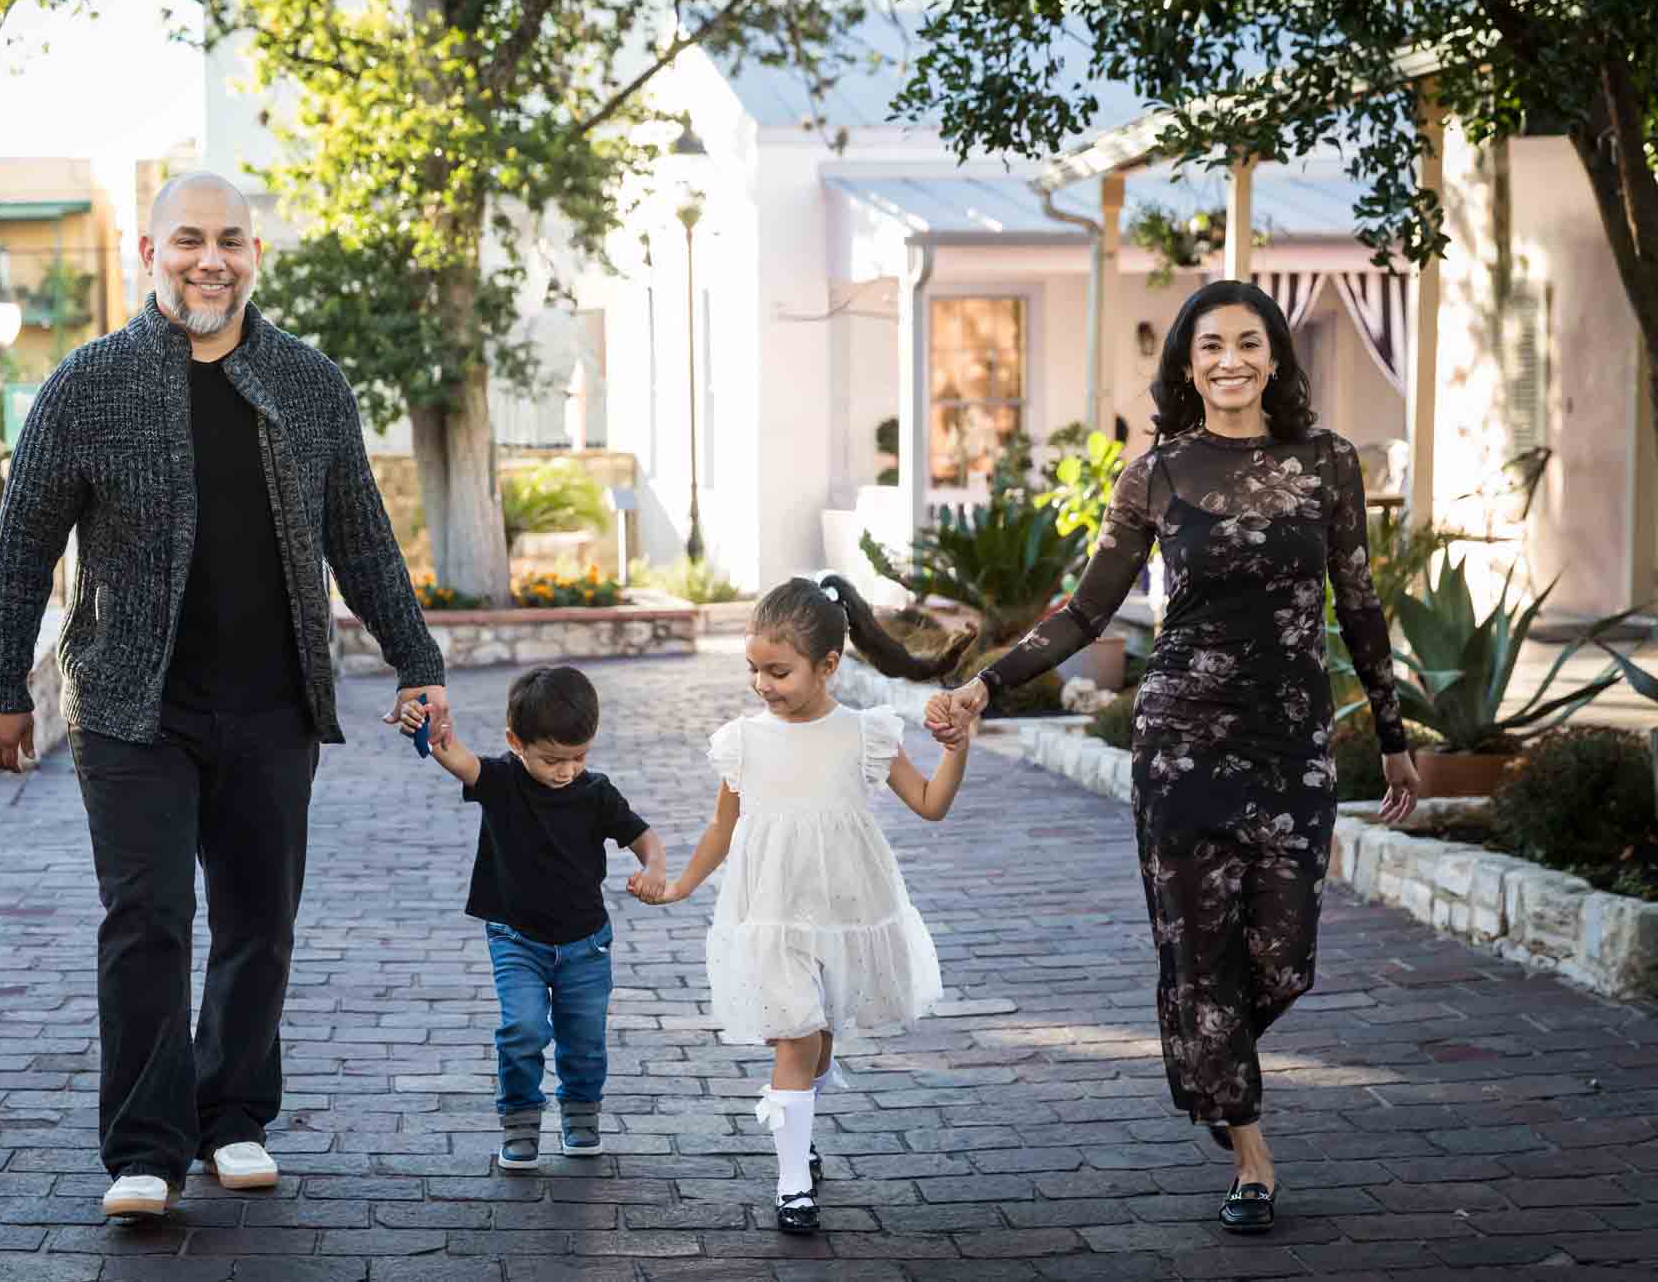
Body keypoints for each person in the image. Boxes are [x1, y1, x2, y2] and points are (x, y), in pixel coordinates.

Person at [0, 172, 451, 1222]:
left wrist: (418, 659)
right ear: (148, 253)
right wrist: (1, 684)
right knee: (147, 919)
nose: (210, 258)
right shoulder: (87, 384)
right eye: (187, 239)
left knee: (257, 922)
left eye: (230, 240)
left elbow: (361, 538)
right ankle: (145, 1146)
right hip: (129, 708)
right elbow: (19, 551)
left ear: (254, 255)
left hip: (273, 704)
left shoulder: (308, 383)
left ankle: (232, 1115)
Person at [925, 280, 1419, 1236]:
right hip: (1182, 737)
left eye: (1247, 342)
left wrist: (1393, 736)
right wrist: (988, 680)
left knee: (1284, 955)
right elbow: (1086, 609)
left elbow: (1358, 604)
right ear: (1187, 367)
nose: (1229, 360)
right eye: (1209, 348)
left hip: (1291, 740)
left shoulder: (1326, 464)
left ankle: (1206, 1049)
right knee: (1200, 954)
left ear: (1275, 354)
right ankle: (1250, 1154)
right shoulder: (1159, 472)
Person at [635, 575, 966, 1235]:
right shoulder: (744, 740)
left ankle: (800, 1125)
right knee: (794, 1032)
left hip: (844, 908)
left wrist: (956, 751)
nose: (763, 684)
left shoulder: (864, 733)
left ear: (829, 664)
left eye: (779, 671)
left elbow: (930, 803)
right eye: (755, 669)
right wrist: (681, 884)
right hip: (772, 910)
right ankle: (792, 1183)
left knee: (816, 1039)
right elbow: (722, 829)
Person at [398, 666, 667, 1170]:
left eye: (578, 757)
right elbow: (451, 755)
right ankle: (520, 1121)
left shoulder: (597, 792)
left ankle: (581, 1115)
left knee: (584, 1039)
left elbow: (645, 837)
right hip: (516, 938)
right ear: (515, 742)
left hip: (586, 943)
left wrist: (654, 869)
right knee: (522, 1029)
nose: (566, 770)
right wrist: (426, 722)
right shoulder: (500, 779)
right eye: (551, 759)